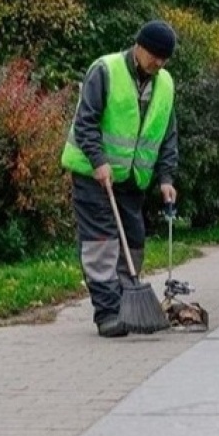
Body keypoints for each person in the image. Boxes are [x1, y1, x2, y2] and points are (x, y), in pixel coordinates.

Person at [60, 20, 179, 337]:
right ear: (139, 46)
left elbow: (168, 136)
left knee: (134, 241)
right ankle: (109, 313)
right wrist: (98, 161)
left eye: (164, 58)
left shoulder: (164, 84)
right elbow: (86, 122)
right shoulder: (105, 70)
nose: (158, 63)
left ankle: (131, 305)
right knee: (102, 245)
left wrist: (166, 177)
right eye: (154, 55)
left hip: (130, 179)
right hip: (93, 176)